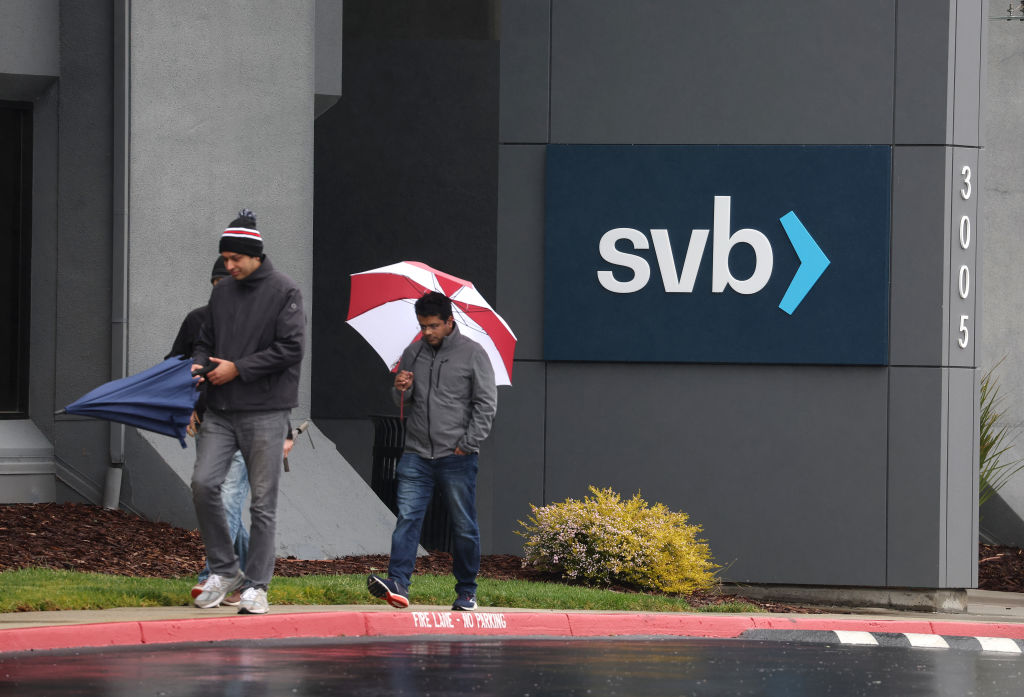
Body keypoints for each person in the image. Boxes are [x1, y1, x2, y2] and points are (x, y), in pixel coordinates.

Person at [190, 208, 305, 615]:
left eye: (235, 258)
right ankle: (224, 570)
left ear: (255, 255)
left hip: (266, 411)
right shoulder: (222, 291)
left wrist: (238, 368)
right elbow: (205, 338)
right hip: (221, 410)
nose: (228, 265)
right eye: (225, 258)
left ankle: (258, 585)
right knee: (204, 485)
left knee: (262, 503)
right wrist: (199, 362)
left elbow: (292, 349)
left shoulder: (285, 291)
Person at [367, 291, 498, 612]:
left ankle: (467, 590)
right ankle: (398, 584)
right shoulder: (413, 352)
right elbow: (402, 398)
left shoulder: (474, 353)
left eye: (433, 326)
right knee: (408, 519)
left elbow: (486, 404)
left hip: (457, 456)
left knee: (463, 525)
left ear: (449, 322)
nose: (427, 332)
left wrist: (467, 443)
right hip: (416, 453)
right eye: (423, 326)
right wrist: (401, 387)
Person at [167, 257, 250, 607]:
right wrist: (183, 407)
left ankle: (212, 577)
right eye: (220, 286)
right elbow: (175, 365)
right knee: (217, 500)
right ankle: (244, 575)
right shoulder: (197, 321)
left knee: (227, 498)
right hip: (210, 425)